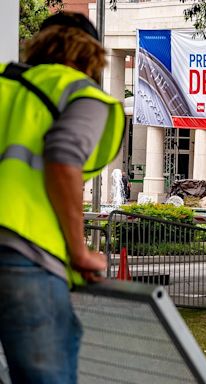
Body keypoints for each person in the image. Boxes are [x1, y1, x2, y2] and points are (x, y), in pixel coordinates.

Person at [0, 12, 125, 383]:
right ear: (91, 53)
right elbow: (63, 159)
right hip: (23, 254)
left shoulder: (6, 85)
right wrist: (79, 251)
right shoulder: (80, 92)